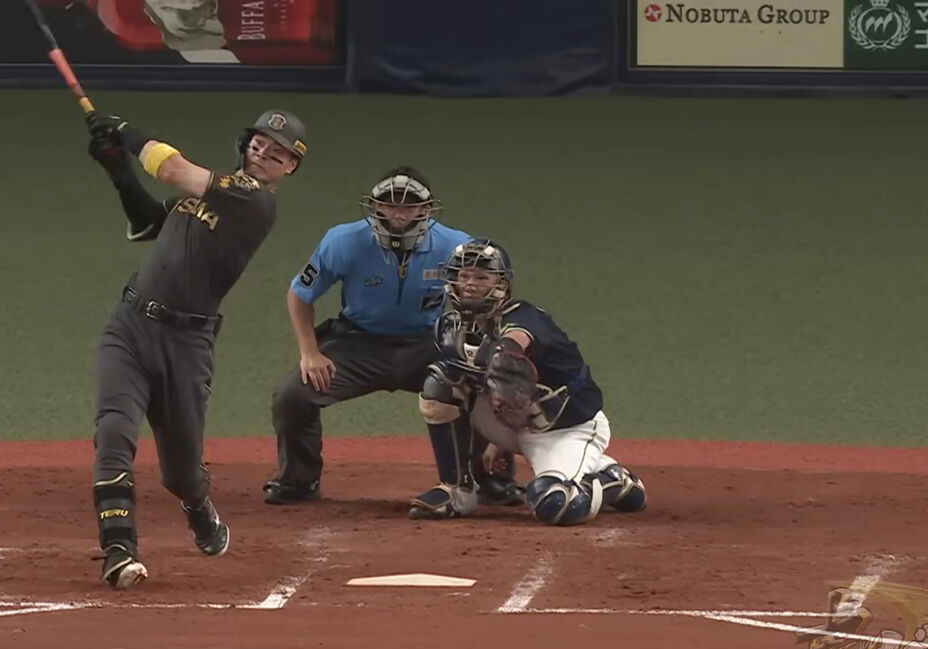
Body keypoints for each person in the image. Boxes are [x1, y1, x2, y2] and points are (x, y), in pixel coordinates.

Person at [82, 107, 306, 589]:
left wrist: (126, 131)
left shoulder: (254, 203)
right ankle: (119, 549)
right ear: (246, 144)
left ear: (290, 166)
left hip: (186, 345)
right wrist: (119, 171)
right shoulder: (208, 192)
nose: (263, 154)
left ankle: (197, 502)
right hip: (129, 326)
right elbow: (146, 223)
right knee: (114, 430)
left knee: (181, 473)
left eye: (278, 153)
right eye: (259, 144)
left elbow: (170, 168)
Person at [260, 167, 524, 507]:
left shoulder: (455, 246)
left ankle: (490, 479)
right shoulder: (343, 241)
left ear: (426, 209)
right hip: (357, 343)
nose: (399, 214)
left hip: (429, 343)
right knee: (292, 394)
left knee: (483, 388)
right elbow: (299, 295)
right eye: (389, 204)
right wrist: (310, 352)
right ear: (375, 206)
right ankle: (299, 480)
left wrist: (482, 352)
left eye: (409, 205)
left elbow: (489, 298)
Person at [410, 239, 649, 525]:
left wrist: (505, 350)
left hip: (567, 429)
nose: (470, 284)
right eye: (464, 276)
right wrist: (492, 442)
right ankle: (458, 490)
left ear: (501, 283)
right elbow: (477, 389)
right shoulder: (450, 328)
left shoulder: (525, 317)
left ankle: (613, 481)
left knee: (555, 503)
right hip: (514, 424)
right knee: (441, 382)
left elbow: (516, 340)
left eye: (482, 277)